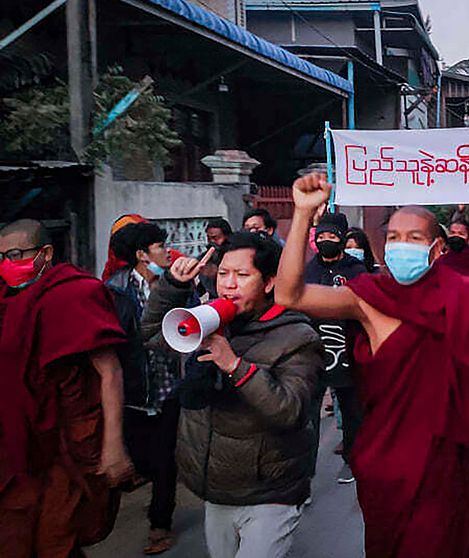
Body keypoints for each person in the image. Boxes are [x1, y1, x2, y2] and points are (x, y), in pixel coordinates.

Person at [276, 174, 469, 558]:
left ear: (437, 247)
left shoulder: (464, 303)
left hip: (451, 466)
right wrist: (303, 214)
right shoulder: (369, 299)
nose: (400, 246)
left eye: (413, 238)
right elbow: (289, 294)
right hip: (388, 465)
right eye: (393, 237)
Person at [141, 232, 323, 558]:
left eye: (242, 275)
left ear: (268, 282)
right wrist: (172, 286)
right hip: (217, 488)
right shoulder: (210, 321)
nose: (228, 285)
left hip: (271, 491)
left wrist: (235, 366)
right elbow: (157, 335)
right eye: (223, 273)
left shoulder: (298, 336)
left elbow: (291, 411)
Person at [0, 219, 132, 558]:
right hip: (16, 440)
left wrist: (114, 445)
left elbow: (110, 372)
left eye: (15, 255)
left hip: (66, 439)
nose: (6, 265)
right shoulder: (5, 299)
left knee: (57, 536)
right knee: (15, 535)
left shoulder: (75, 292)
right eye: (0, 257)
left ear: (45, 253)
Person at [106, 222, 183, 555]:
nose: (166, 251)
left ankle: (159, 523)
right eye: (159, 246)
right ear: (141, 255)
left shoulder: (176, 285)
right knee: (141, 457)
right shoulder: (113, 291)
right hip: (134, 390)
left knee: (166, 458)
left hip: (169, 385)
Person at [304, 212, 369, 485]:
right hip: (314, 353)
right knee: (308, 417)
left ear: (343, 238)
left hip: (347, 351)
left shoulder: (357, 270)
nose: (326, 241)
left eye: (332, 236)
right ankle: (304, 475)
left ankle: (352, 460)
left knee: (351, 410)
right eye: (322, 237)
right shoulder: (309, 270)